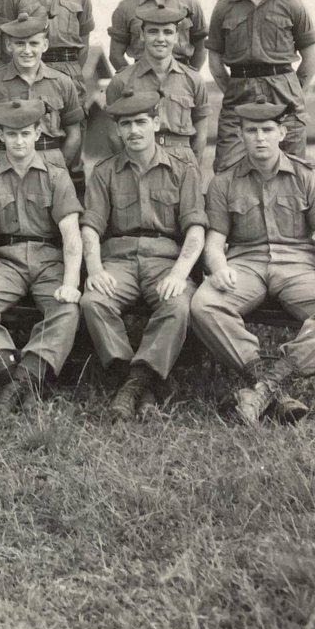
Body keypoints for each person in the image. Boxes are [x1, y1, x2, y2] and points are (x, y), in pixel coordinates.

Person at [190, 102, 315, 425]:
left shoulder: (306, 176)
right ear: (241, 134)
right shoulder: (224, 181)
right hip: (246, 265)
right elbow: (214, 244)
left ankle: (265, 387)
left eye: (267, 130)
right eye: (251, 130)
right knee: (203, 304)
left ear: (282, 133)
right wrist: (219, 266)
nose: (260, 137)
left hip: (297, 267)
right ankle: (271, 389)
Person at [78, 90, 207, 421]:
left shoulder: (183, 170)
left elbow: (195, 229)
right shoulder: (105, 171)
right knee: (93, 302)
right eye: (126, 125)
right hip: (119, 260)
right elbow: (91, 227)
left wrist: (179, 274)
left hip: (164, 261)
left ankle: (131, 386)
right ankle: (138, 382)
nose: (133, 131)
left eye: (140, 122)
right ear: (118, 130)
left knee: (178, 306)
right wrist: (95, 269)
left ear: (156, 123)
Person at [0, 99, 83, 409]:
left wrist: (70, 282)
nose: (19, 141)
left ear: (38, 133)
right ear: (0, 136)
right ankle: (9, 372)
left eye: (26, 133)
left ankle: (26, 377)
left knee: (67, 310)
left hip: (49, 259)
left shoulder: (56, 176)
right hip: (7, 260)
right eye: (12, 134)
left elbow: (71, 234)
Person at [206, 0, 315, 171]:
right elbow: (215, 61)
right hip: (239, 94)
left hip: (284, 94)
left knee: (291, 170)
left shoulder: (292, 5)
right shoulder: (224, 8)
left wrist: (293, 90)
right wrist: (234, 88)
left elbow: (311, 58)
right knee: (228, 168)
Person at [0, 14, 84, 179]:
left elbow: (74, 134)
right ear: (9, 45)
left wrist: (58, 167)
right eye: (20, 44)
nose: (27, 51)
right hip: (4, 163)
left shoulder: (63, 82)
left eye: (34, 43)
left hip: (50, 162)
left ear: (45, 45)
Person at [104, 6, 210, 167]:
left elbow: (201, 135)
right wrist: (130, 168)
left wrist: (191, 170)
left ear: (176, 36)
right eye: (153, 32)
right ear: (142, 35)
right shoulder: (122, 81)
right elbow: (113, 135)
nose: (161, 39)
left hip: (182, 163)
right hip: (139, 162)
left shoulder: (193, 80)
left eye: (168, 32)